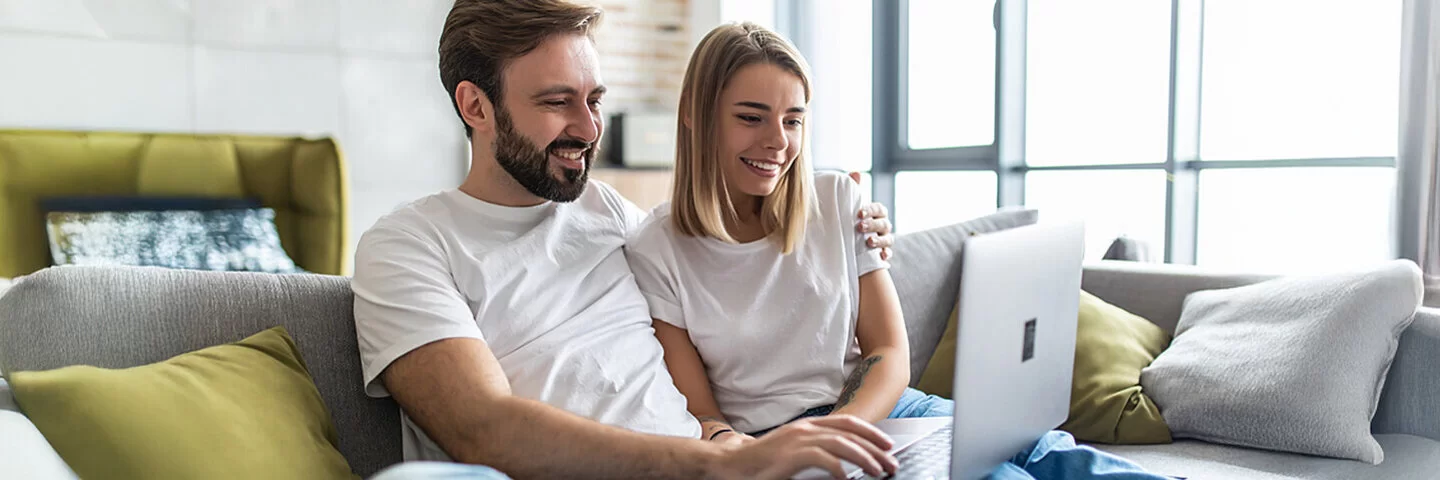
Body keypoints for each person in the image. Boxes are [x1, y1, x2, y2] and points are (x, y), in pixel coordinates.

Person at [352, 1, 902, 479]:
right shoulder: (408, 246)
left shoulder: (610, 213)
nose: (590, 130)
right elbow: (484, 428)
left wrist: (854, 228)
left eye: (594, 100)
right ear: (476, 106)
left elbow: (726, 276)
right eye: (556, 101)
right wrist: (721, 462)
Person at [623, 22, 1173, 480]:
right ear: (695, 113)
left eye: (793, 120)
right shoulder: (656, 248)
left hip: (886, 408)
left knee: (1056, 455)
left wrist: (847, 426)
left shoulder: (837, 198)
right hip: (782, 442)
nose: (778, 142)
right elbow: (702, 413)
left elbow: (888, 351)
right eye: (751, 117)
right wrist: (769, 450)